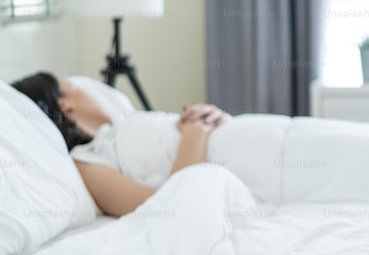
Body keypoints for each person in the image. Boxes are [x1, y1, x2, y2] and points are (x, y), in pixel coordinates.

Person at [11, 72, 229, 217]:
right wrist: (195, 132)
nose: (89, 92)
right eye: (74, 88)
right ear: (66, 106)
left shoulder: (120, 128)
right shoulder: (88, 160)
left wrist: (206, 115)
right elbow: (166, 209)